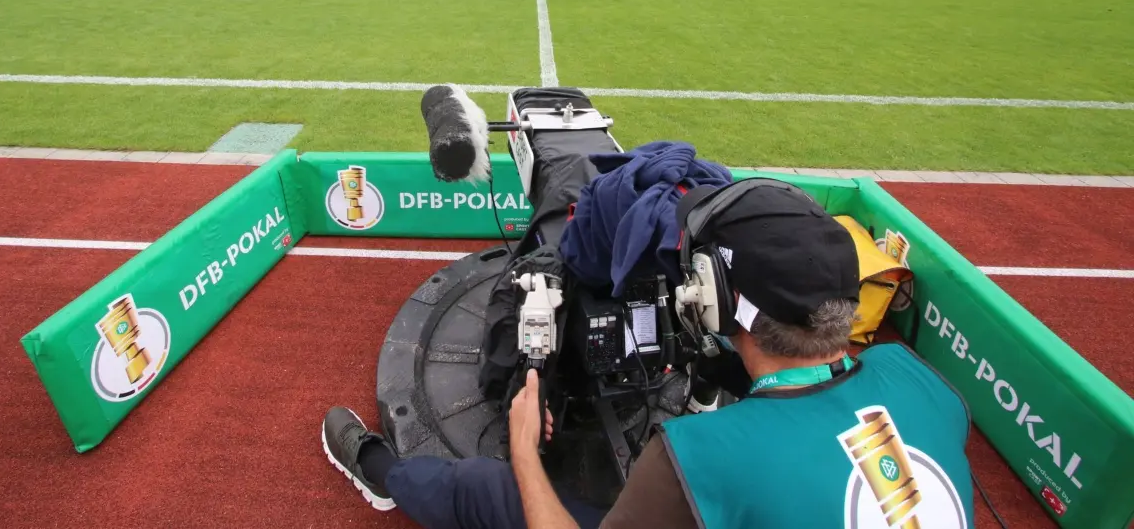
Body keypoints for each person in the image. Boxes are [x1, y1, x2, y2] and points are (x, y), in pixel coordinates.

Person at [319, 181, 975, 529]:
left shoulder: (702, 453)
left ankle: (381, 474)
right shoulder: (924, 386)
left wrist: (522, 446)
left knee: (491, 489)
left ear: (721, 298)